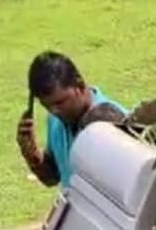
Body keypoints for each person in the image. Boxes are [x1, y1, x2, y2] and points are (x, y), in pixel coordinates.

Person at [16, 54, 125, 191]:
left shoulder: (115, 125)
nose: (54, 111)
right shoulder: (56, 120)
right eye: (47, 106)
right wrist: (32, 155)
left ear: (79, 85)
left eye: (60, 102)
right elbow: (53, 178)